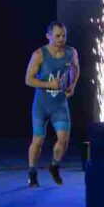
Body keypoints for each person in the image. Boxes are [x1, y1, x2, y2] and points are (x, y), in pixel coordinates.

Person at [25, 21, 80, 188]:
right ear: (48, 36)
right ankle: (32, 172)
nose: (61, 39)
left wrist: (72, 85)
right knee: (38, 140)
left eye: (64, 36)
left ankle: (54, 166)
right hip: (41, 105)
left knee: (64, 139)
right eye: (57, 36)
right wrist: (49, 84)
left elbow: (75, 68)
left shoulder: (71, 52)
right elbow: (28, 80)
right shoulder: (39, 54)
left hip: (59, 104)